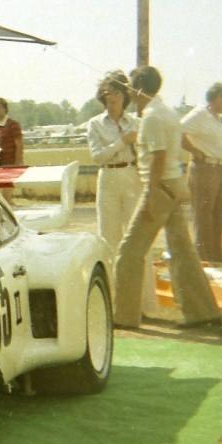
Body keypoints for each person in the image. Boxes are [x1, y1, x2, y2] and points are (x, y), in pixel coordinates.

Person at [113, 66, 220, 330]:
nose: (129, 94)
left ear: (139, 88)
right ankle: (202, 311)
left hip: (161, 187)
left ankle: (123, 317)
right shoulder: (166, 112)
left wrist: (150, 196)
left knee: (129, 252)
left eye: (131, 88)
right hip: (174, 185)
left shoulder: (152, 116)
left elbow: (158, 158)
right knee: (183, 251)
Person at [87, 70, 156, 316]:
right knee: (109, 240)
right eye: (107, 92)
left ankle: (145, 305)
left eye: (116, 92)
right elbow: (98, 156)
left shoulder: (136, 123)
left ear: (125, 95)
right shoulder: (95, 124)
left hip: (132, 178)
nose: (112, 97)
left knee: (138, 241)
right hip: (108, 179)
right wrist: (122, 142)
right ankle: (114, 305)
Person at [180, 82, 222, 262]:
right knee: (203, 216)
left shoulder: (217, 119)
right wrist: (195, 151)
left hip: (218, 168)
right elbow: (177, 131)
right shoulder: (200, 114)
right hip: (204, 168)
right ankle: (204, 261)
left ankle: (216, 258)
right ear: (217, 97)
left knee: (218, 216)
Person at [0, 97, 24, 166]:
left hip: (12, 164)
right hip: (1, 164)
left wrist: (17, 164)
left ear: (5, 108)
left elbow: (19, 146)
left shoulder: (13, 124)